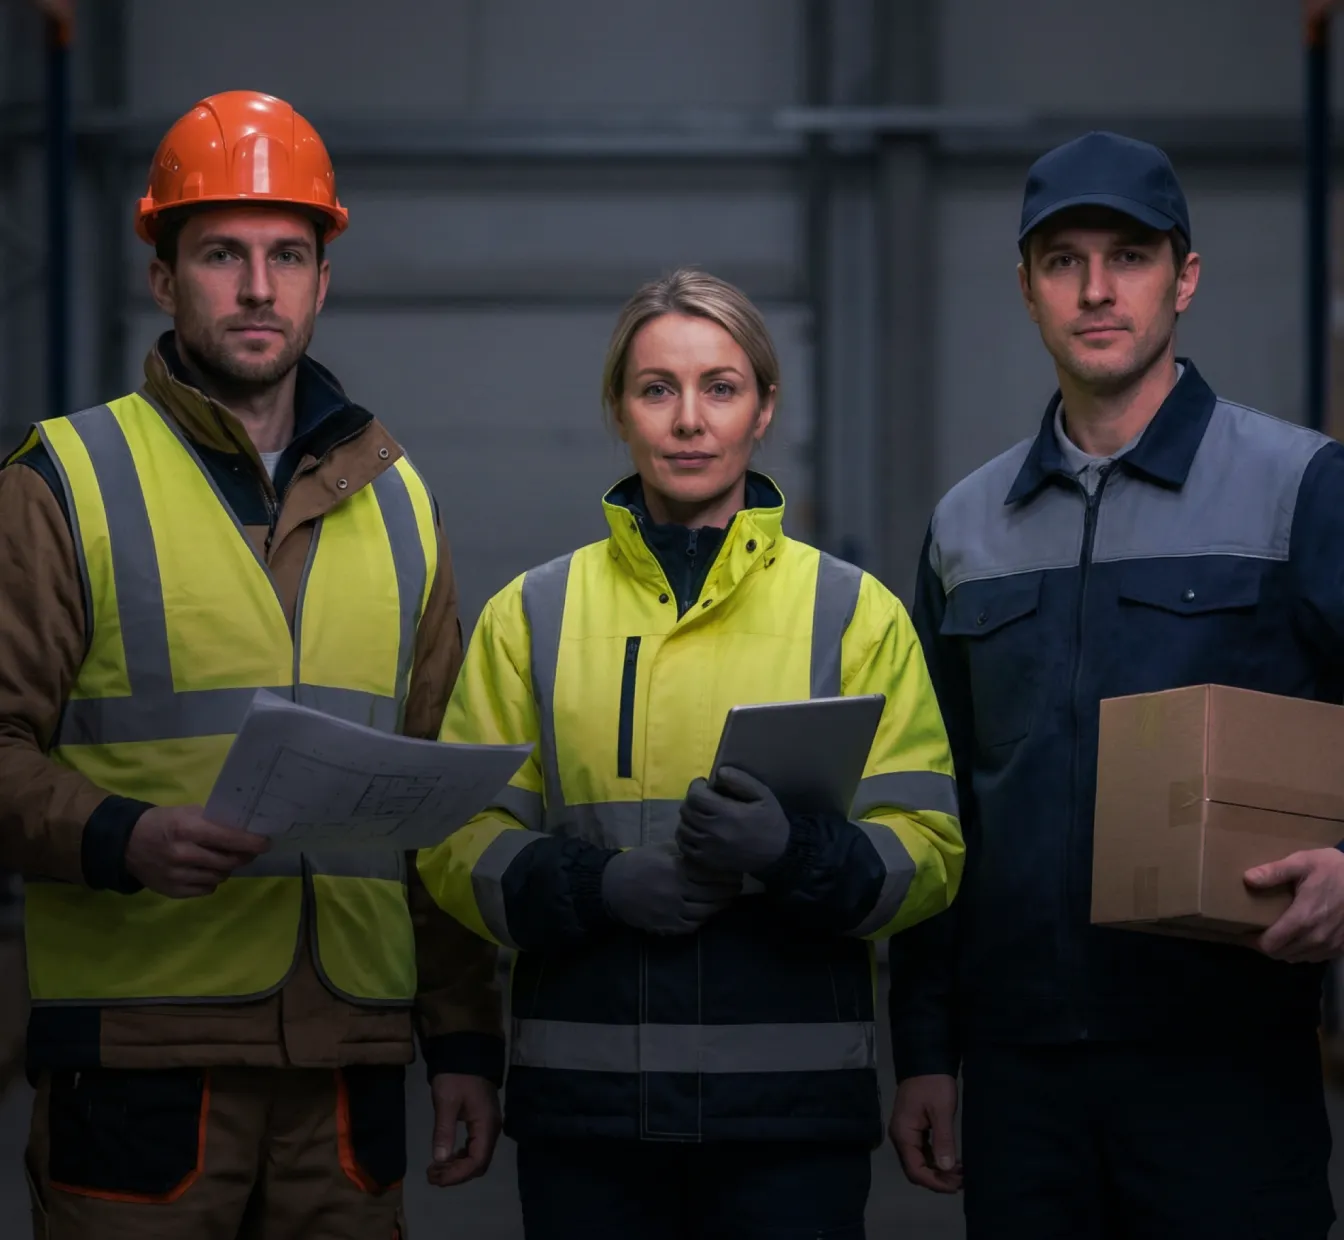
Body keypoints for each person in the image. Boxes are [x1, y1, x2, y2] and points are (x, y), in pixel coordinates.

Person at [0, 90, 504, 1239]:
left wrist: (464, 1040)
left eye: (289, 254)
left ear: (325, 280)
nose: (260, 286)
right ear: (164, 276)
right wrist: (119, 833)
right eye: (222, 252)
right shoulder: (61, 483)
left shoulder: (403, 503)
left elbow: (441, 801)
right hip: (140, 1061)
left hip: (351, 1063)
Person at [417, 268, 965, 1239]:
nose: (688, 419)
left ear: (764, 409)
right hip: (589, 1125)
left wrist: (794, 852)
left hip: (791, 1128)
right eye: (657, 388)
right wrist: (598, 886)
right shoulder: (532, 616)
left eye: (720, 386)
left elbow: (929, 850)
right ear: (619, 411)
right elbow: (457, 842)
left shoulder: (854, 614)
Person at [888, 129, 1344, 1239]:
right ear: (1028, 288)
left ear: (1183, 277)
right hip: (1021, 1077)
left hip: (1229, 1064)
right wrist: (925, 1052)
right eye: (1063, 260)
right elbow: (935, 799)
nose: (1097, 289)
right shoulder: (965, 525)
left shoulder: (1302, 487)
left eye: (1129, 254)